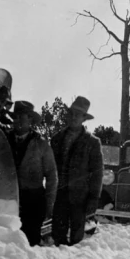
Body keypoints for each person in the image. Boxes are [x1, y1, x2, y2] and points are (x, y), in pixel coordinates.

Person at [50, 96, 103, 246]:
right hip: (59, 194)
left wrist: (94, 197)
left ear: (84, 118)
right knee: (57, 234)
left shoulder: (92, 142)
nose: (74, 117)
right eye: (72, 113)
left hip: (80, 196)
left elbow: (97, 173)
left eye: (78, 115)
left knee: (77, 237)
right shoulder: (56, 139)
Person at [7, 101, 57, 246]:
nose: (18, 121)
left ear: (30, 120)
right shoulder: (4, 139)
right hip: (9, 200)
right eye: (15, 117)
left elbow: (52, 176)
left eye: (22, 117)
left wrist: (49, 205)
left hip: (33, 202)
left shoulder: (41, 144)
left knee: (30, 244)